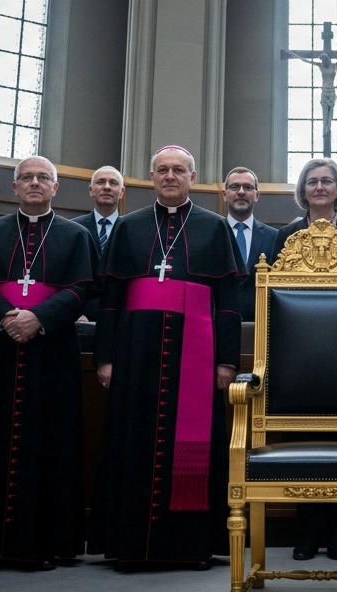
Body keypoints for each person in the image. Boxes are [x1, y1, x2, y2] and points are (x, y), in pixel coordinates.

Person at [90, 145, 243, 572]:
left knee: (191, 445)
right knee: (133, 440)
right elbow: (110, 301)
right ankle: (129, 542)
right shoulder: (129, 226)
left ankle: (189, 545)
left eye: (179, 170)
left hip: (194, 351)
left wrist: (226, 362)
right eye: (162, 170)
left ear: (192, 176)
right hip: (135, 352)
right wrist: (106, 358)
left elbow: (229, 303)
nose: (170, 176)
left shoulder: (214, 228)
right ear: (151, 176)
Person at [0, 157, 96, 572]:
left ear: (56, 187)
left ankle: (43, 543)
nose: (34, 183)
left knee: (49, 442)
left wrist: (39, 318)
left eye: (42, 178)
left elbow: (83, 288)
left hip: (52, 353)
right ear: (13, 186)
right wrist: (7, 318)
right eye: (27, 177)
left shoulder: (76, 235)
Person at [267, 158, 337, 562]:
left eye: (328, 181)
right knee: (301, 444)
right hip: (298, 359)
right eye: (313, 182)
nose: (320, 187)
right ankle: (306, 534)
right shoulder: (287, 235)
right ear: (303, 190)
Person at [222, 166, 277, 320]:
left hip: (261, 324)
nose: (241, 192)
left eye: (248, 187)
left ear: (257, 195)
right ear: (224, 194)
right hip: (218, 324)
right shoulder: (212, 233)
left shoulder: (274, 237)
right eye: (234, 187)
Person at [72, 165, 125, 257]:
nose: (107, 187)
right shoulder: (74, 228)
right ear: (91, 190)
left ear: (121, 192)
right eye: (100, 182)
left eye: (113, 183)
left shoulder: (130, 230)